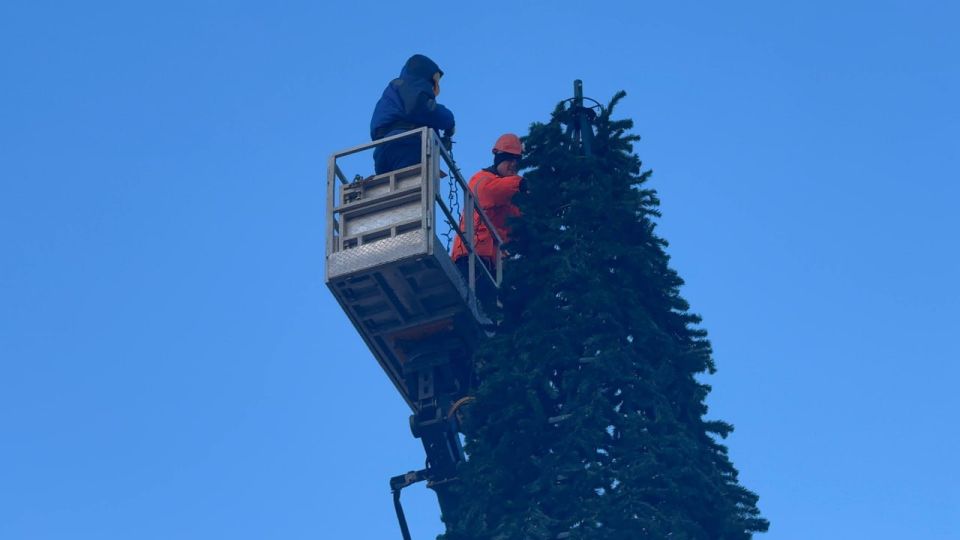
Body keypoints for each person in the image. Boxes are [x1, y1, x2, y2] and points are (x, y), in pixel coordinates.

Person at [451, 134, 525, 307]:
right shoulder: (482, 179)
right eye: (509, 159)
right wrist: (521, 184)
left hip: (492, 265)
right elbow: (491, 192)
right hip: (471, 257)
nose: (514, 164)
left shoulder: (508, 198)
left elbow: (519, 221)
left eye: (517, 161)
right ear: (499, 158)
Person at [370, 54, 456, 175]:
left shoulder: (393, 91)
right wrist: (450, 123)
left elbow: (415, 119)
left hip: (382, 150)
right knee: (414, 189)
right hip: (406, 144)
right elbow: (427, 110)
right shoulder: (412, 87)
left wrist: (439, 143)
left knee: (392, 190)